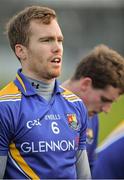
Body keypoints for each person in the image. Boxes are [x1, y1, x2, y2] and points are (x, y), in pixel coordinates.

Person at [0, 5, 91, 179]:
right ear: (21, 51)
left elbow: (84, 176)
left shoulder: (75, 105)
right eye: (46, 40)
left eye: (60, 40)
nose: (57, 48)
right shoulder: (5, 107)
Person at [62, 44, 124, 171]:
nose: (107, 110)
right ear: (86, 84)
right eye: (104, 100)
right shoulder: (38, 108)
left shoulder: (91, 116)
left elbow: (88, 169)